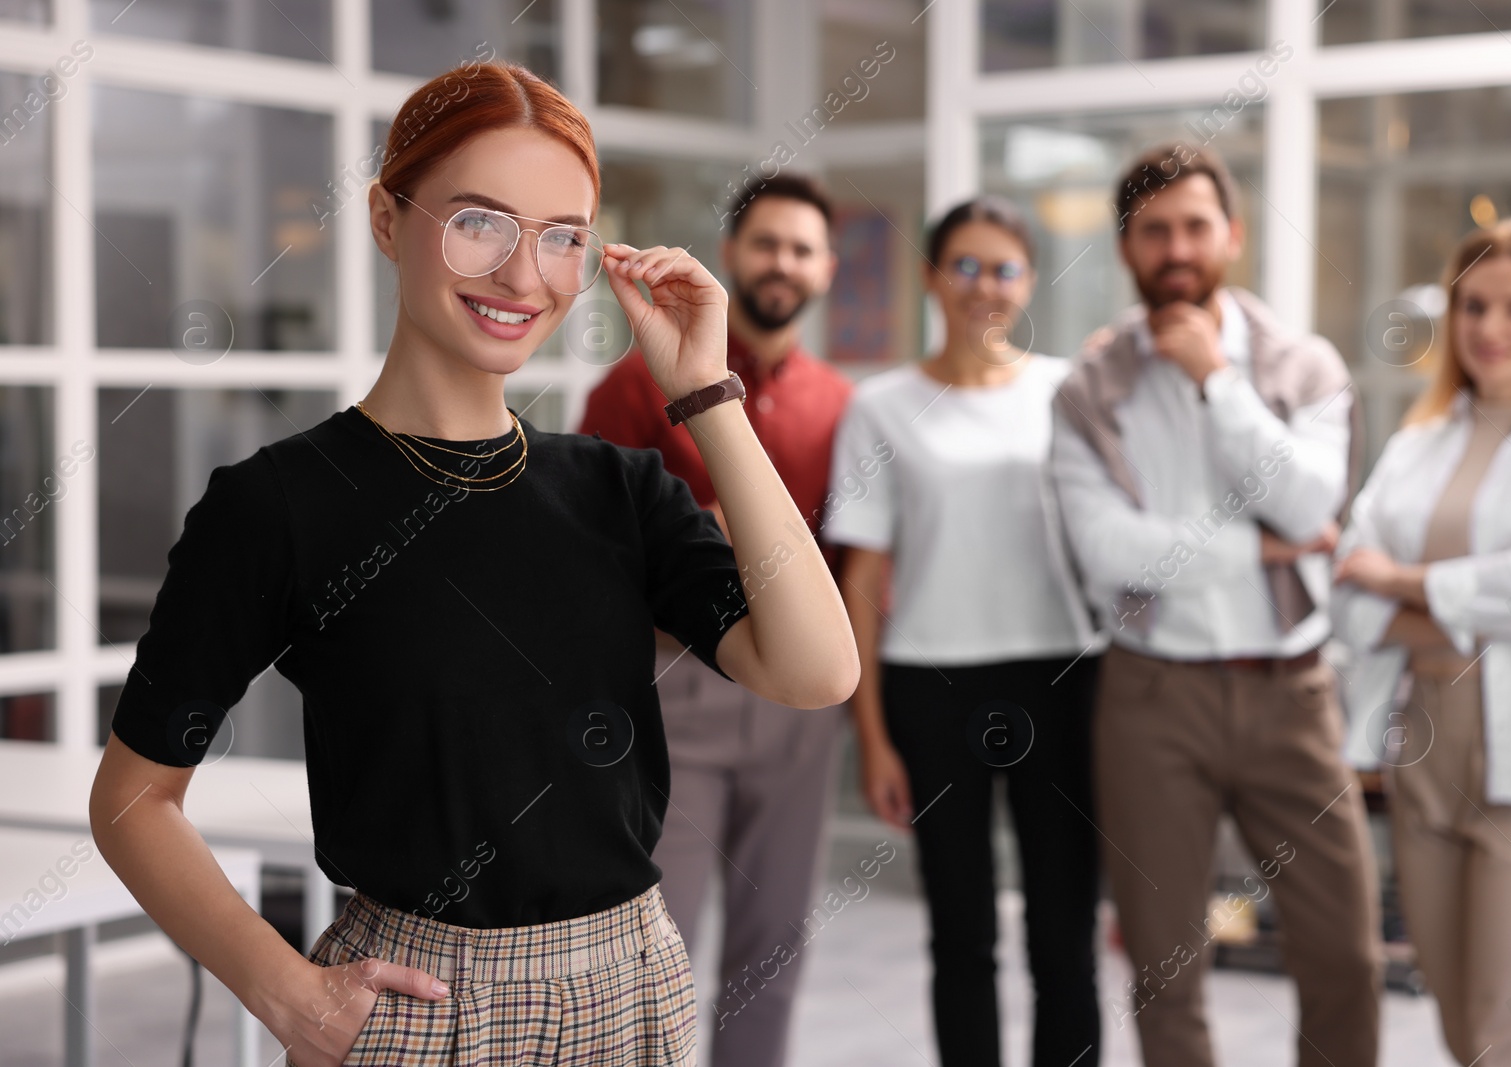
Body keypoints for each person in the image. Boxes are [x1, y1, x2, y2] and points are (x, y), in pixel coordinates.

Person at [86, 61, 857, 1067]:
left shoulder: (618, 489)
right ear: (385, 218)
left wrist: (706, 394)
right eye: (479, 222)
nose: (523, 275)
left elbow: (815, 669)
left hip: (632, 989)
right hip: (413, 1002)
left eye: (563, 237)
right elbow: (134, 797)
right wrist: (284, 992)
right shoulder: (277, 503)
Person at [1047, 143, 1383, 1067]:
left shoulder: (1300, 364)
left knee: (1344, 955)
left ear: (1232, 235)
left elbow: (1316, 504)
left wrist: (1217, 384)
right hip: (1153, 701)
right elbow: (1107, 551)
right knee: (1165, 966)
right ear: (1126, 247)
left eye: (1196, 225)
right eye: (1155, 231)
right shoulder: (1090, 387)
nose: (1178, 248)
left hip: (1294, 695)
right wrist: (1262, 546)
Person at [578, 172, 852, 1067]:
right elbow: (595, 543)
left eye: (802, 248)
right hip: (677, 684)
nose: (783, 262)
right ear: (732, 256)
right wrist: (703, 532)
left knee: (774, 944)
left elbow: (853, 564)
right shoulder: (633, 384)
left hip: (798, 701)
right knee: (664, 937)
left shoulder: (842, 407)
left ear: (827, 267)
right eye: (766, 243)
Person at [825, 195, 1105, 1067]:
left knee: (1064, 930)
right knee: (962, 930)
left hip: (1062, 676)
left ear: (1029, 280)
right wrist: (869, 739)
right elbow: (861, 583)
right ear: (931, 277)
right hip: (931, 685)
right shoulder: (881, 407)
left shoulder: (1069, 390)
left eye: (1006, 267)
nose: (986, 285)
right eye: (967, 266)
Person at [1333, 217, 1511, 1067]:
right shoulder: (1419, 442)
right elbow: (1344, 588)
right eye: (1474, 306)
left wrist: (1404, 583)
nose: (1490, 329)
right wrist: (1460, 598)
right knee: (1453, 1015)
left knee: (1506, 1034)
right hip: (1425, 754)